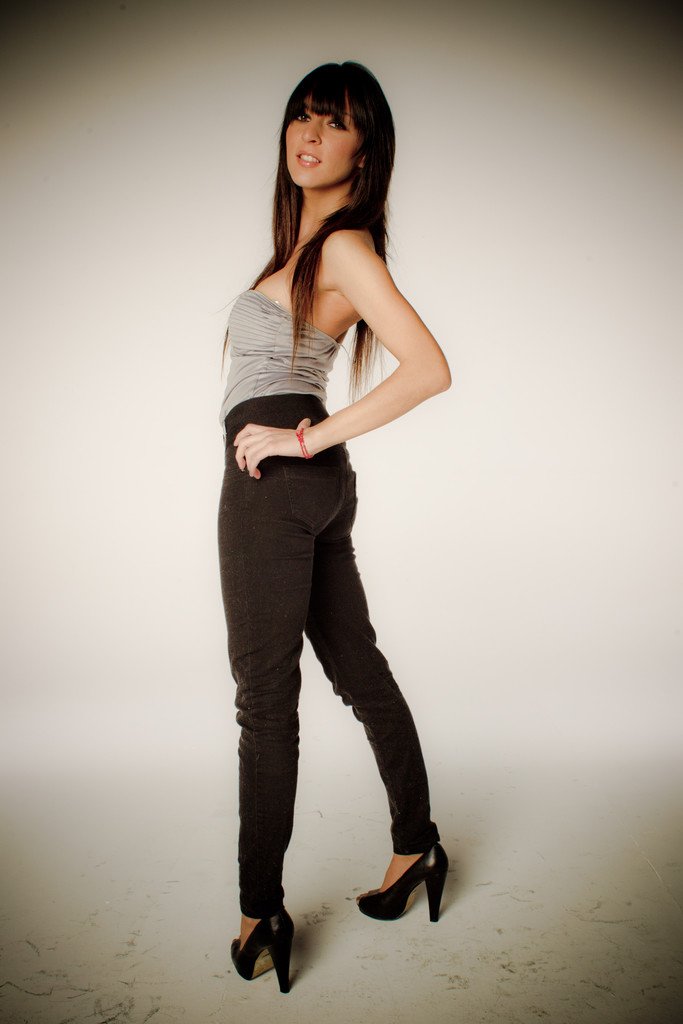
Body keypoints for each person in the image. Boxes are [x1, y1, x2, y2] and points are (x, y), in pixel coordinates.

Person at [216, 61, 451, 994]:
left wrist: (303, 436)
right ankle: (416, 847)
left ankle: (258, 913)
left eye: (335, 122)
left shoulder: (344, 247)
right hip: (312, 489)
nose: (310, 135)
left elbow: (428, 368)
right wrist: (308, 443)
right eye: (302, 116)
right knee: (357, 670)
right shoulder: (303, 251)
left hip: (279, 485)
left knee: (264, 704)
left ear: (365, 149)